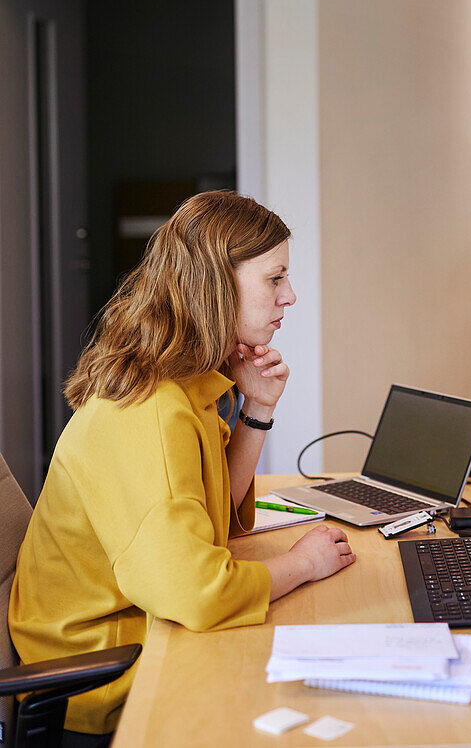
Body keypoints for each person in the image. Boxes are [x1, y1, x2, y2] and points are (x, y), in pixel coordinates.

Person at [9, 191, 356, 747]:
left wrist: (258, 409)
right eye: (274, 279)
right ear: (218, 283)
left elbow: (212, 516)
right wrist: (304, 565)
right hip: (101, 679)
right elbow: (196, 593)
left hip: (138, 628)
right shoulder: (150, 411)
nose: (289, 296)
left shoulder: (182, 379)